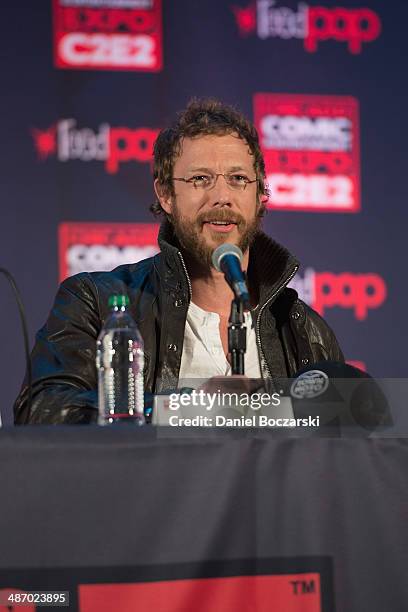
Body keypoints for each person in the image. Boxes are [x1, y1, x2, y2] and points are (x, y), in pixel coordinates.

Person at [14, 98, 344, 424]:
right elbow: (43, 410)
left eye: (238, 179)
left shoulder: (303, 329)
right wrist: (188, 409)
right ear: (166, 195)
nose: (222, 197)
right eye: (200, 179)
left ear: (260, 195)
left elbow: (347, 448)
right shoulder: (95, 302)